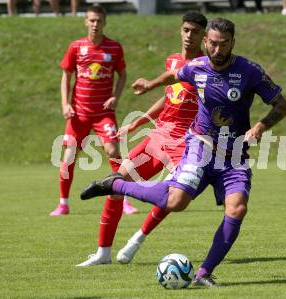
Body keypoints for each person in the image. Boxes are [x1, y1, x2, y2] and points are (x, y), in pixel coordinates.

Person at [81, 17, 286, 287]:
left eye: (223, 45)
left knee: (237, 209)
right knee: (176, 202)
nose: (217, 50)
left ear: (232, 43)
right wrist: (150, 85)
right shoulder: (197, 66)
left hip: (234, 155)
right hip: (200, 146)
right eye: (213, 44)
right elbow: (175, 74)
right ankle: (117, 185)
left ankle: (203, 274)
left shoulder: (249, 71)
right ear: (207, 42)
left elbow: (282, 106)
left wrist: (260, 126)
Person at [75, 12, 208, 267]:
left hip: (183, 142)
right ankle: (103, 253)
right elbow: (170, 96)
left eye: (195, 32)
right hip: (157, 137)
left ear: (204, 36)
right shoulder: (172, 61)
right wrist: (139, 122)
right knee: (115, 182)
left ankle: (137, 240)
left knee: (173, 193)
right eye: (186, 30)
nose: (189, 36)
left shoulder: (205, 67)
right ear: (181, 31)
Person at [50, 5, 138, 216]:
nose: (95, 24)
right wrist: (65, 103)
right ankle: (63, 203)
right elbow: (66, 76)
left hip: (103, 114)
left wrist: (115, 96)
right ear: (85, 22)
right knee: (69, 155)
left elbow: (123, 74)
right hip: (78, 113)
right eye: (91, 20)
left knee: (113, 152)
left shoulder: (114, 48)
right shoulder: (76, 47)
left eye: (99, 20)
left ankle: (123, 199)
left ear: (104, 22)